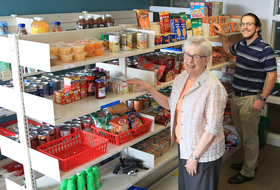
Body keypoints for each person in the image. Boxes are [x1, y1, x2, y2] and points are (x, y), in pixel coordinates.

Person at [127, 35, 227, 190]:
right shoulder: (182, 77)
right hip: (185, 146)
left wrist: (194, 157)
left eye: (196, 56)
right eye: (187, 54)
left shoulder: (214, 87)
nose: (189, 60)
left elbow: (213, 127)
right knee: (185, 187)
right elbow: (169, 104)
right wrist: (149, 88)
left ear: (206, 60)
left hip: (202, 153)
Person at [214, 13, 277, 184]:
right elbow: (228, 49)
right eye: (243, 24)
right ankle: (251, 163)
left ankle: (248, 172)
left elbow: (272, 76)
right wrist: (223, 35)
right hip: (236, 96)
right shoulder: (241, 43)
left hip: (251, 99)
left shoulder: (265, 49)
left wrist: (262, 99)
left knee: (250, 138)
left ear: (257, 28)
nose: (245, 27)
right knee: (242, 134)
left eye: (249, 24)